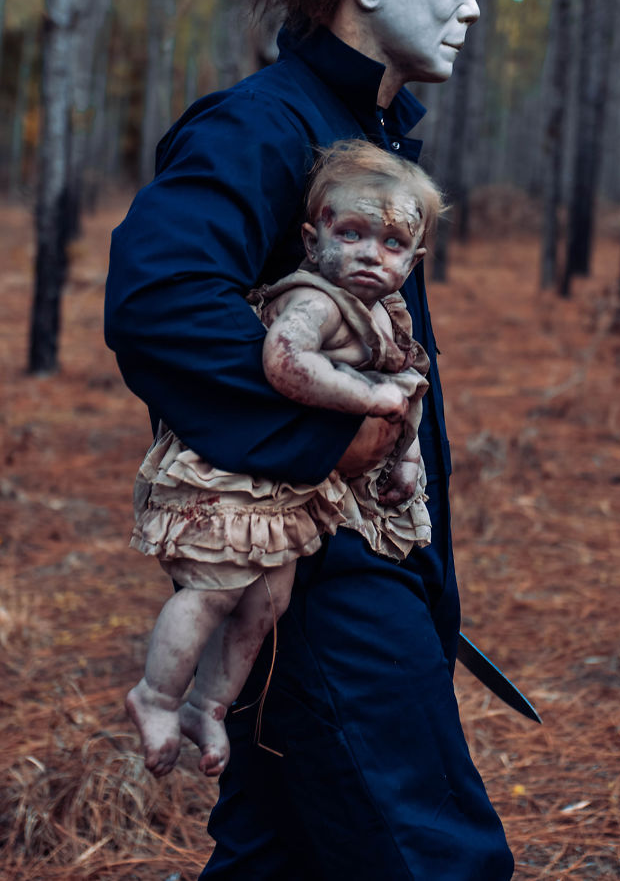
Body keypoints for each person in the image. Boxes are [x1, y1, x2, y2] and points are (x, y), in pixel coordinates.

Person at [105, 0, 514, 881]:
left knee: (275, 857)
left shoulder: (361, 133)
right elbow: (158, 299)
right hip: (324, 584)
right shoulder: (261, 127)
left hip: (346, 576)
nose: (472, 8)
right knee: (438, 861)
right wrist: (331, 434)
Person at [125, 141, 440, 780]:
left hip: (291, 495)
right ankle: (155, 696)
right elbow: (285, 362)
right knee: (215, 590)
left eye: (393, 244)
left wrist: (408, 458)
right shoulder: (317, 301)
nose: (370, 255)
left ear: (416, 258)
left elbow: (413, 387)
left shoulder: (389, 315)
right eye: (350, 233)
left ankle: (207, 706)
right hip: (242, 480)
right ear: (312, 236)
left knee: (266, 602)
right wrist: (368, 395)